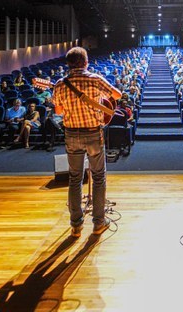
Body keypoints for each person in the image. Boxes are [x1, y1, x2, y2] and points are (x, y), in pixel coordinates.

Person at [53, 47, 122, 239]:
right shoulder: (95, 79)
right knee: (98, 177)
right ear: (86, 61)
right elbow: (117, 95)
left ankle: (76, 226)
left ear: (68, 63)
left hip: (71, 134)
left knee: (75, 178)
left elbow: (58, 111)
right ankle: (99, 223)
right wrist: (99, 99)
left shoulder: (60, 84)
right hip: (93, 133)